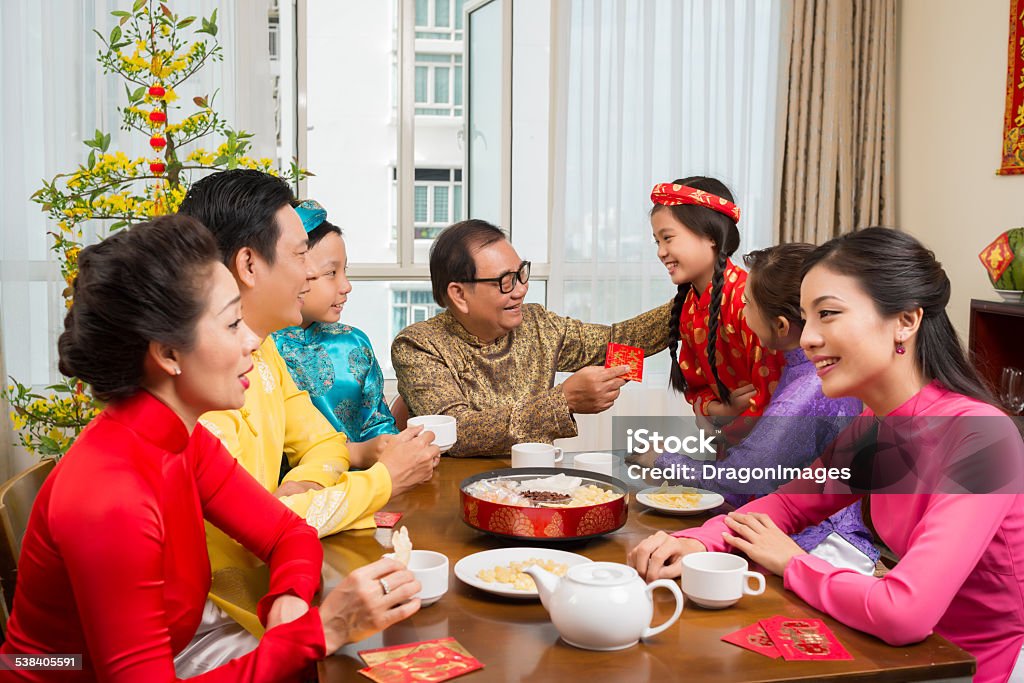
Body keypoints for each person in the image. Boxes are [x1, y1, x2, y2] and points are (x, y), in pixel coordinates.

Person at [0, 215, 422, 681]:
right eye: (231, 323)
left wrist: (291, 599)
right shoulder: (111, 497)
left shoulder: (183, 440)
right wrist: (324, 628)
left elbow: (289, 534)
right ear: (168, 354)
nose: (252, 341)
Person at [629, 228, 1024, 683]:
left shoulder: (981, 437)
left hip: (967, 665)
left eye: (828, 314)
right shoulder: (877, 427)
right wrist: (700, 540)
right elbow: (791, 503)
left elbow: (905, 612)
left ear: (906, 321)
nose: (809, 337)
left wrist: (792, 561)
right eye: (805, 317)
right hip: (893, 653)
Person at [176, 170, 438, 666]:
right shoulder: (198, 398)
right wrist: (381, 481)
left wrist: (298, 495)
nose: (310, 276)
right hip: (212, 619)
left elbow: (324, 448)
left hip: (245, 599)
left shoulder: (264, 350)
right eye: (302, 257)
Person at [654, 243, 875, 573]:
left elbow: (744, 478)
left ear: (782, 326)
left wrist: (660, 459)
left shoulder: (810, 389)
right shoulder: (803, 369)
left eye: (746, 304)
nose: (741, 314)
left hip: (823, 548)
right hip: (792, 525)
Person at [392, 219, 672, 458]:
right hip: (456, 493)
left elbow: (618, 341)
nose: (521, 290)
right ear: (459, 295)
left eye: (521, 274)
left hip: (535, 482)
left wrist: (694, 297)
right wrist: (563, 401)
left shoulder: (536, 324)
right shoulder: (419, 345)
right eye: (506, 281)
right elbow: (460, 430)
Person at [651, 177, 784, 444]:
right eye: (657, 242)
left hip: (770, 451)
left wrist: (719, 429)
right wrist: (717, 411)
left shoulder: (748, 300)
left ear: (710, 236)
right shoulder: (689, 304)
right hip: (729, 448)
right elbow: (696, 387)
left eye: (668, 238)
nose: (661, 252)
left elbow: (774, 395)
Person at [272, 200, 398, 452]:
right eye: (331, 273)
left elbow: (376, 420)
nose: (346, 286)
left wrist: (393, 446)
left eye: (344, 271)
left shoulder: (354, 342)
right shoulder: (261, 347)